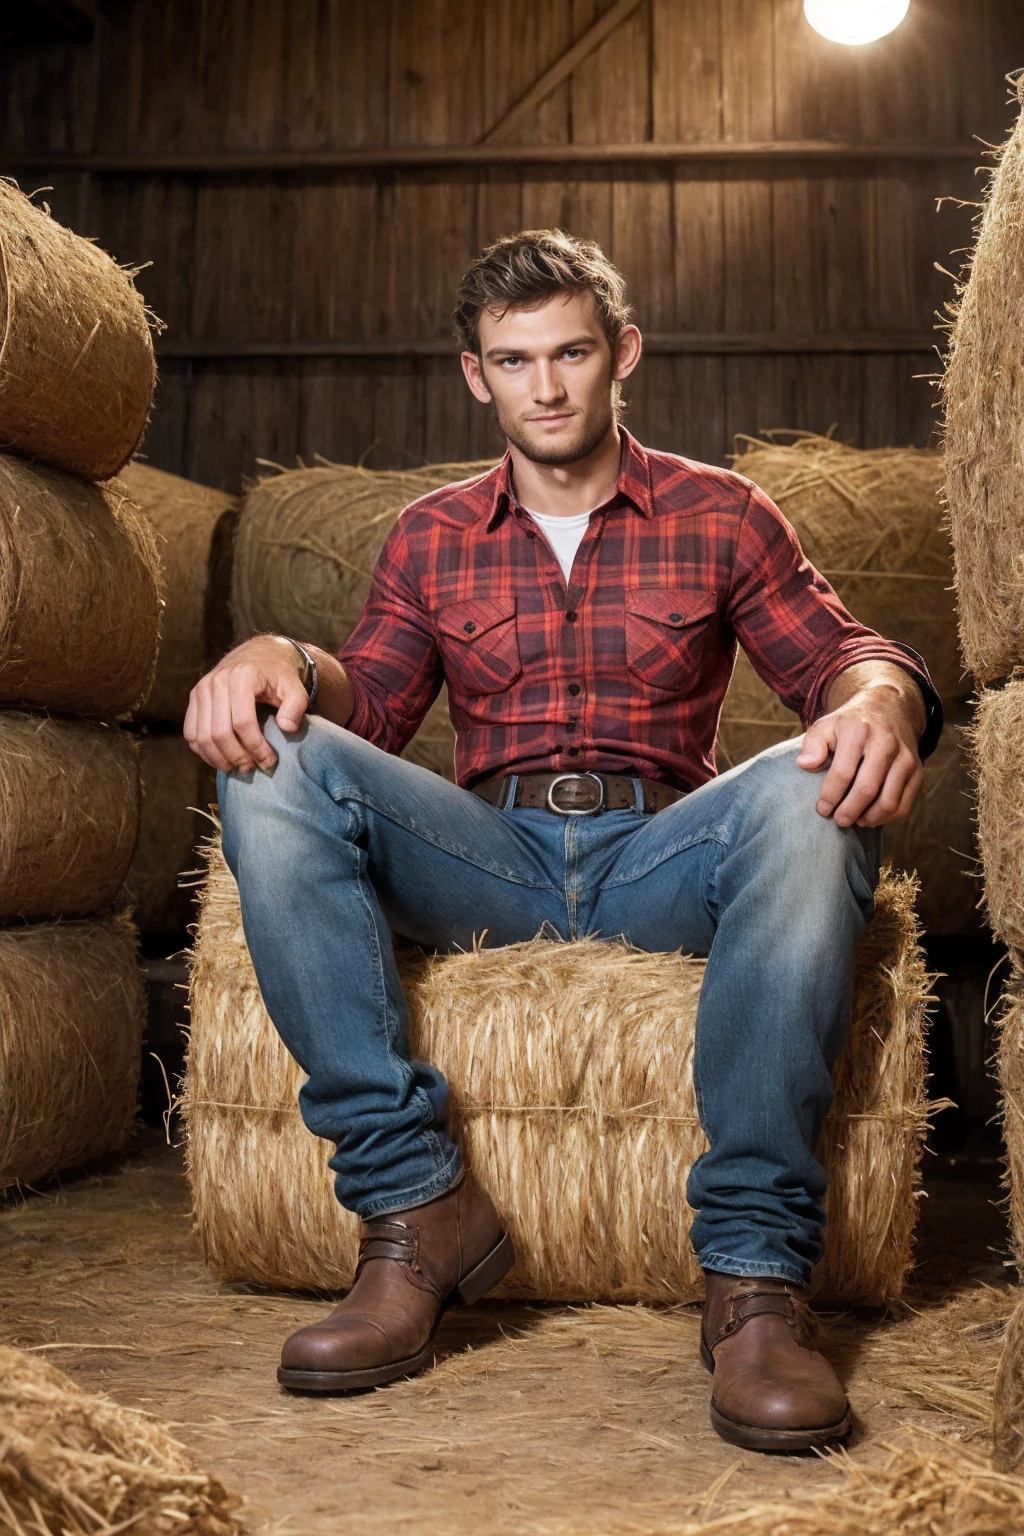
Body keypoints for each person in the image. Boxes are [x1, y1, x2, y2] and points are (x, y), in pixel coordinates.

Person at [185, 229, 941, 1453]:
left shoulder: (722, 512)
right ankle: (411, 1206)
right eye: (514, 359)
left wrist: (879, 698)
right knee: (278, 764)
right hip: (491, 858)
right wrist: (280, 656)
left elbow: (840, 654)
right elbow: (369, 699)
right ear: (475, 376)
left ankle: (753, 1282)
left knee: (809, 788)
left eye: (572, 352)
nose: (546, 385)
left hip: (663, 859)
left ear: (621, 354)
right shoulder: (432, 535)